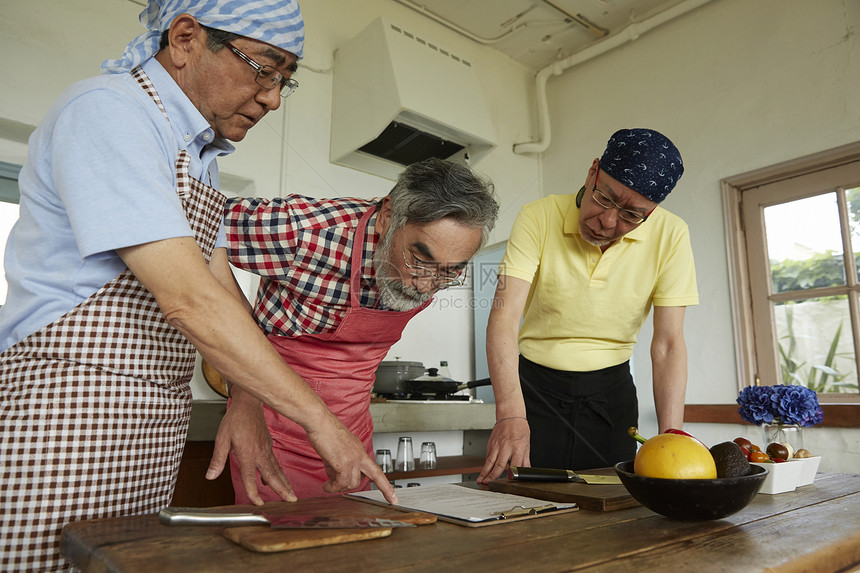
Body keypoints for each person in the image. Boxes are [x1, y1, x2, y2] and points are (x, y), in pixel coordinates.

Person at [0, 1, 397, 570]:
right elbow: (187, 296)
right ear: (185, 38)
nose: (274, 97)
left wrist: (249, 401)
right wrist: (321, 422)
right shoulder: (110, 111)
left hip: (149, 417)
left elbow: (214, 275)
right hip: (66, 407)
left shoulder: (198, 154)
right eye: (265, 67)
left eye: (288, 80)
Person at [219, 157, 499, 502]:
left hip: (352, 436)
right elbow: (192, 229)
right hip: (272, 430)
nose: (427, 285)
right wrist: (243, 395)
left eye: (449, 272)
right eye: (419, 260)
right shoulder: (306, 232)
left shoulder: (432, 272)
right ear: (387, 217)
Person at [477, 128, 698, 483]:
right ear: (593, 172)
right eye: (605, 198)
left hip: (612, 396)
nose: (608, 222)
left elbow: (669, 343)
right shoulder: (538, 216)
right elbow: (504, 319)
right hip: (534, 391)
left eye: (631, 215)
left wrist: (673, 439)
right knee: (528, 509)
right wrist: (509, 414)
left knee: (615, 514)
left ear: (652, 212)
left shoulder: (672, 235)